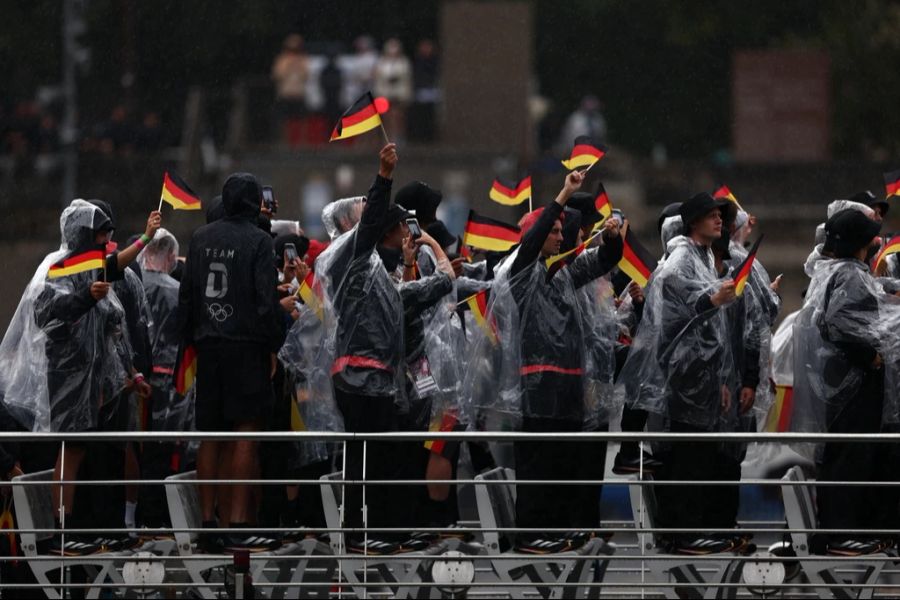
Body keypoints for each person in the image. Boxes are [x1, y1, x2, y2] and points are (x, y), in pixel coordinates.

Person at [468, 170, 623, 554]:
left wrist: (614, 240)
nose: (560, 237)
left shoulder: (566, 271)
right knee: (538, 465)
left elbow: (604, 260)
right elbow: (532, 243)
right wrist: (564, 193)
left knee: (563, 466)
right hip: (537, 384)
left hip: (570, 384)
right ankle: (531, 535)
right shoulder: (520, 273)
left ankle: (556, 531)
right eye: (553, 232)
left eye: (559, 231)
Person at [0, 200, 158, 555]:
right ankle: (60, 528)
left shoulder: (95, 268)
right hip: (69, 378)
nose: (107, 239)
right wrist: (85, 298)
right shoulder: (57, 268)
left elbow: (114, 319)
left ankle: (97, 527)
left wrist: (131, 374)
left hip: (102, 383)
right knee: (70, 451)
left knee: (100, 454)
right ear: (82, 234)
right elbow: (47, 314)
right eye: (101, 232)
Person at [618, 192, 742, 555]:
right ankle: (682, 533)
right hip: (683, 378)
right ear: (693, 223)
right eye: (711, 215)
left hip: (703, 377)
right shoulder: (680, 260)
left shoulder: (702, 257)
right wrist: (710, 301)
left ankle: (693, 530)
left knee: (699, 455)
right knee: (685, 455)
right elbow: (669, 316)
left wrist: (719, 377)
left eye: (720, 215)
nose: (719, 220)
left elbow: (709, 329)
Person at [178, 173, 285, 553]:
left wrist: (193, 339)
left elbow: (187, 297)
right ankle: (239, 523)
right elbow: (265, 301)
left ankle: (208, 523)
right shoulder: (258, 240)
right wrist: (275, 342)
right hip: (246, 348)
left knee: (210, 434)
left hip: (209, 347)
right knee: (244, 432)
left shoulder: (200, 238)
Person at [791, 208, 900, 555]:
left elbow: (875, 291)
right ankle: (839, 535)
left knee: (847, 454)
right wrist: (871, 356)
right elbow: (839, 323)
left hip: (840, 381)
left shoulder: (839, 270)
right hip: (853, 382)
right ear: (858, 241)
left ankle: (844, 531)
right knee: (850, 455)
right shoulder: (850, 274)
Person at [314, 143, 405, 554]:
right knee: (362, 459)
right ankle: (356, 536)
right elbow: (370, 227)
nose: (366, 218)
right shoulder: (346, 255)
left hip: (375, 374)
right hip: (357, 374)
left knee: (378, 457)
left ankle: (376, 532)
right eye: (360, 213)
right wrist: (384, 174)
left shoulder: (369, 263)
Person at [138, 228, 191, 530]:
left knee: (134, 449)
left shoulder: (130, 286)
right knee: (163, 451)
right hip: (170, 381)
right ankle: (157, 516)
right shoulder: (176, 292)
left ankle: (135, 515)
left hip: (133, 381)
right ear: (172, 256)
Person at [271, 34, 311, 148]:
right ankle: (285, 141)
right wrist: (289, 67)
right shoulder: (282, 60)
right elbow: (277, 75)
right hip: (286, 93)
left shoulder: (303, 59)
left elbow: (307, 75)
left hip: (299, 92)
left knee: (302, 119)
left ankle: (303, 142)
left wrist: (298, 66)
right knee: (284, 119)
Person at [373, 39, 413, 142]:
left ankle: (399, 137)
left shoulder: (403, 62)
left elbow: (403, 75)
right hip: (385, 94)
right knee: (386, 117)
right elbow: (378, 75)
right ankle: (387, 137)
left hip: (399, 94)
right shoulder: (381, 62)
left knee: (398, 116)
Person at [409, 39, 440, 143]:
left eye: (427, 47)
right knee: (420, 115)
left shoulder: (434, 60)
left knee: (430, 115)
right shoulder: (418, 60)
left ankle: (431, 137)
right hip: (420, 91)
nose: (425, 49)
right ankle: (420, 137)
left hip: (432, 91)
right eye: (423, 47)